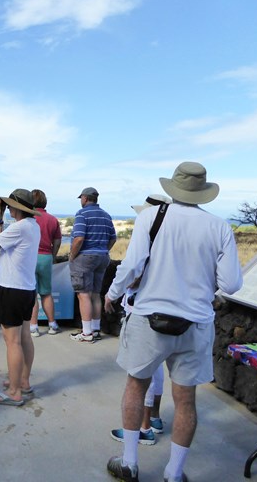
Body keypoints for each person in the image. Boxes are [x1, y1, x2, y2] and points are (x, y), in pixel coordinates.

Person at [104, 162, 243, 482]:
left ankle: (129, 463)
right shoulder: (219, 227)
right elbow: (232, 284)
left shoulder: (151, 217)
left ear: (173, 187)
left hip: (148, 319)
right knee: (186, 401)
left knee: (135, 387)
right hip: (195, 324)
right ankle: (174, 473)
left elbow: (132, 265)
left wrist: (112, 293)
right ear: (203, 192)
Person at [109, 194, 171, 448]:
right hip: (169, 312)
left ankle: (143, 428)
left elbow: (134, 272)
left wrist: (113, 292)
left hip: (144, 311)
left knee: (141, 372)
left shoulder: (150, 238)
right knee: (157, 372)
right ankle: (154, 418)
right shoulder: (170, 239)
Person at [0, 189, 40, 406]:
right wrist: (0, 222)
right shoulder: (32, 226)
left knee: (12, 341)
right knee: (24, 337)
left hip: (12, 290)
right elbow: (5, 242)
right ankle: (23, 382)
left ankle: (14, 391)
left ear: (16, 207)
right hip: (26, 289)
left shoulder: (19, 228)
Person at [68, 186, 116, 343]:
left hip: (84, 257)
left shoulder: (82, 214)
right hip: (102, 257)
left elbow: (79, 238)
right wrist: (103, 250)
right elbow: (113, 238)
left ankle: (86, 333)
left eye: (81, 198)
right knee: (96, 294)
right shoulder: (106, 215)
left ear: (85, 198)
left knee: (83, 295)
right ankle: (95, 330)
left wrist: (72, 256)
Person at [29, 189, 62, 337]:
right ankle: (52, 324)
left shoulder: (29, 218)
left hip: (30, 257)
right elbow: (57, 240)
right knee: (46, 293)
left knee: (32, 293)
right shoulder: (52, 219)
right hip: (46, 257)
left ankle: (33, 327)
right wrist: (53, 255)